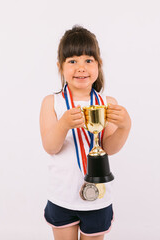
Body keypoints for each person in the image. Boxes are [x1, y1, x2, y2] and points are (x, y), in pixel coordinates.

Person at [39, 25, 131, 240]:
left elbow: (109, 148)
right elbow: (51, 147)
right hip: (63, 196)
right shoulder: (51, 102)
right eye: (72, 61)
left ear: (99, 65)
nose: (81, 67)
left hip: (98, 196)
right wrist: (63, 125)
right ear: (60, 67)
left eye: (88, 60)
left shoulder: (107, 103)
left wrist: (126, 126)